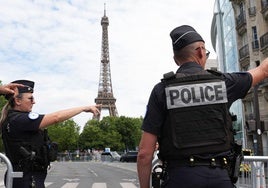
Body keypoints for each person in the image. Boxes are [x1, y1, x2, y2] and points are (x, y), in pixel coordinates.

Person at [137, 25, 268, 188]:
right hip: (220, 178)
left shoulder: (161, 91)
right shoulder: (224, 84)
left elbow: (144, 154)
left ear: (176, 59)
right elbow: (263, 70)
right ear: (200, 51)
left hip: (178, 179)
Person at [0, 79, 100, 188]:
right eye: (30, 98)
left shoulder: (13, 118)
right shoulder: (19, 120)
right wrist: (84, 108)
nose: (34, 101)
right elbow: (56, 118)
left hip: (24, 177)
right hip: (26, 179)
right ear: (18, 101)